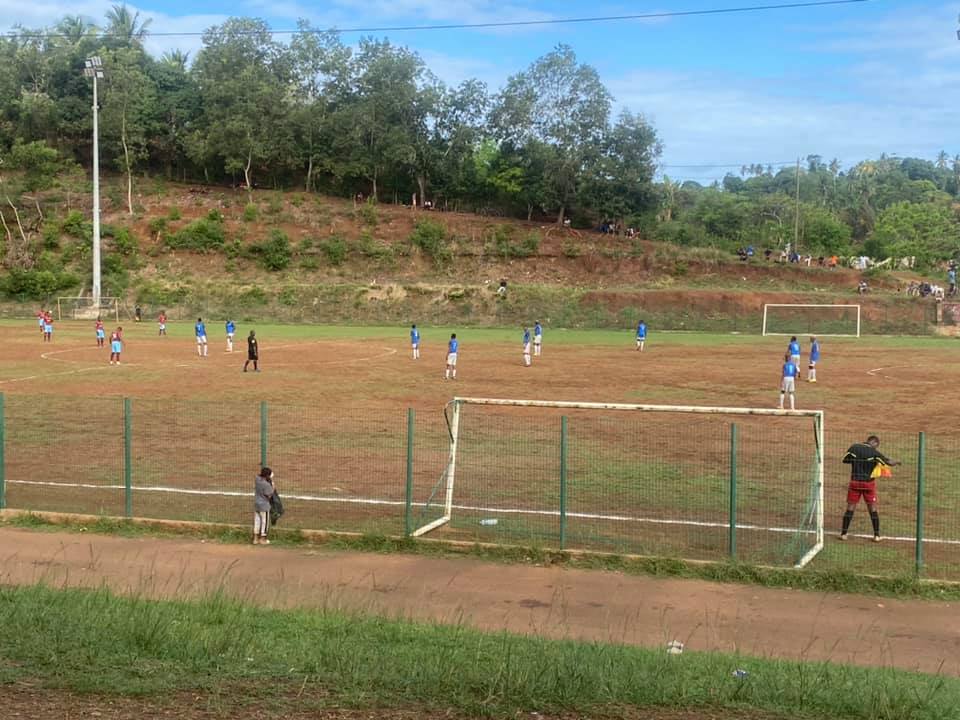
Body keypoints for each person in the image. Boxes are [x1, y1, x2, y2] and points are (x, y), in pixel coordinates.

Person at [840, 435, 900, 542]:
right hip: (868, 484)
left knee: (850, 507)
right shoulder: (874, 453)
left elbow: (845, 460)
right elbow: (888, 462)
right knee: (872, 508)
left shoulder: (854, 448)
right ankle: (876, 535)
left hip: (855, 482)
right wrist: (897, 462)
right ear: (875, 443)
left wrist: (857, 461)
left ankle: (843, 534)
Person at [253, 467, 275, 545]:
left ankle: (255, 539)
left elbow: (259, 476)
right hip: (264, 506)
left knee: (257, 521)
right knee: (264, 523)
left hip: (257, 504)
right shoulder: (266, 485)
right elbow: (269, 495)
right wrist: (272, 486)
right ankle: (263, 539)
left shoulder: (257, 479)